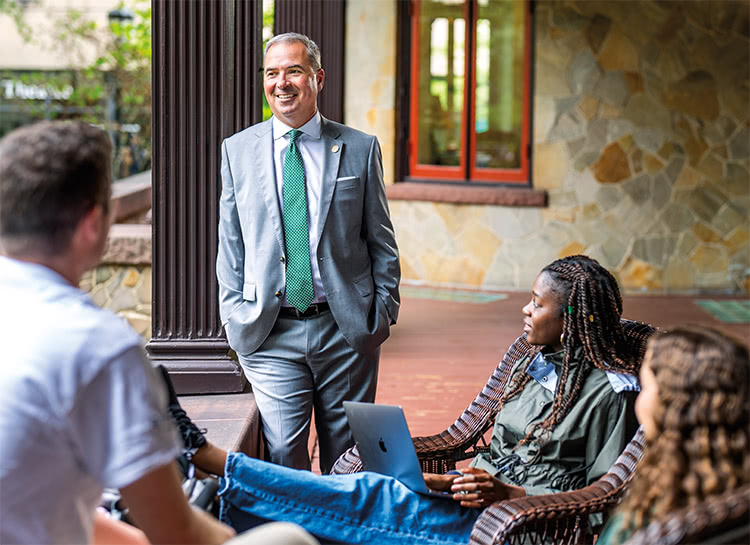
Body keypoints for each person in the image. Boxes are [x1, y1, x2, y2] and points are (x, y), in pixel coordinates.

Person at [174, 255, 648, 544]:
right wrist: (449, 483)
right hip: (466, 499)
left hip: (512, 527)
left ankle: (215, 472)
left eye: (536, 303)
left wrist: (511, 496)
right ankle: (216, 496)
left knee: (366, 497)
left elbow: (604, 500)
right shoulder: (532, 363)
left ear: (571, 318)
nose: (525, 310)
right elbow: (487, 448)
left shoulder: (610, 394)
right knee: (376, 493)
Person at [0, 120, 316, 545]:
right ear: (94, 222)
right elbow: (177, 533)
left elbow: (52, 502)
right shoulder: (98, 347)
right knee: (288, 540)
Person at [217, 32, 400, 473]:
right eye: (272, 72)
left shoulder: (359, 148)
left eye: (294, 71)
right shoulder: (238, 150)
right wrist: (233, 313)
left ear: (318, 78)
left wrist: (381, 313)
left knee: (349, 459)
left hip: (347, 332)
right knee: (284, 456)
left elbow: (382, 242)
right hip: (270, 331)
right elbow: (231, 244)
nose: (282, 83)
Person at [596, 326, 750, 545]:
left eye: (646, 387)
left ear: (673, 410)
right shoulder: (734, 500)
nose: (639, 401)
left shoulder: (645, 524)